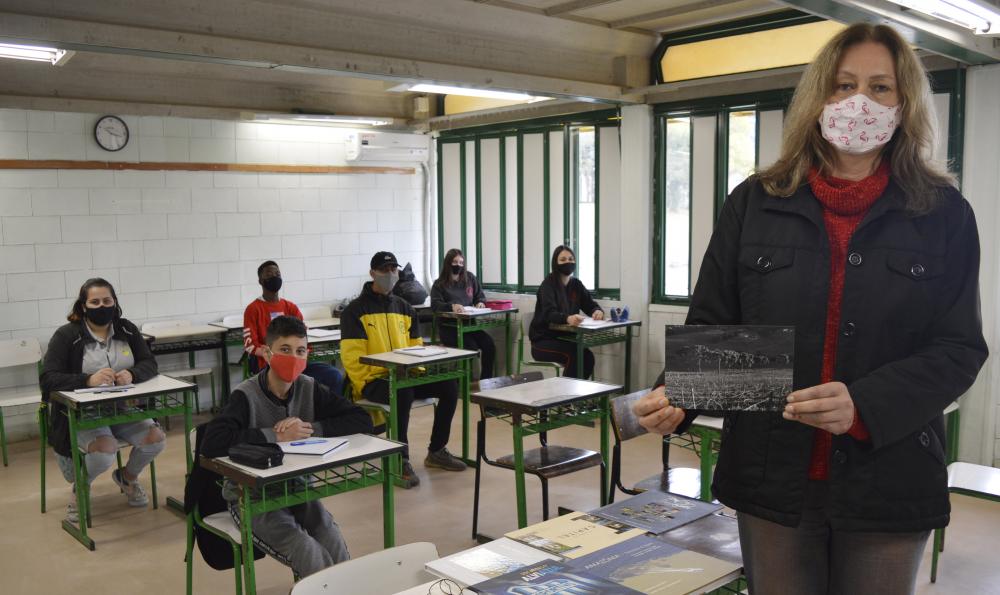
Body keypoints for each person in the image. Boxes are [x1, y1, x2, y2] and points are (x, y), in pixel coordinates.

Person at [632, 23, 987, 595]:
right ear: (818, 96)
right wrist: (679, 392)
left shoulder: (943, 213)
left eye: (880, 88)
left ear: (907, 103)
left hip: (889, 477)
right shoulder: (756, 201)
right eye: (844, 85)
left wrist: (864, 405)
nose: (859, 103)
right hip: (772, 476)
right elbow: (715, 325)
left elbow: (958, 348)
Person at [201, 315, 373, 580]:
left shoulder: (309, 387)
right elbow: (212, 442)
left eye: (300, 351)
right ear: (268, 354)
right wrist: (275, 435)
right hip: (252, 497)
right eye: (285, 350)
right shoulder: (246, 394)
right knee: (308, 552)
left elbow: (361, 419)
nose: (293, 358)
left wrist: (307, 430)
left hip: (297, 488)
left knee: (332, 539)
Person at [39, 278, 165, 522]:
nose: (101, 306)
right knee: (104, 451)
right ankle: (81, 488)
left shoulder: (127, 329)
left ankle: (127, 477)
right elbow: (48, 378)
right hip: (83, 414)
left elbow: (150, 362)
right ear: (83, 306)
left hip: (125, 409)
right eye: (94, 302)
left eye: (107, 300)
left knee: (156, 439)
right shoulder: (67, 335)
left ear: (115, 302)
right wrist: (87, 380)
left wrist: (133, 373)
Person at [340, 251, 466, 488]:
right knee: (402, 392)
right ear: (372, 274)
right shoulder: (354, 311)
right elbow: (353, 359)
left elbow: (416, 349)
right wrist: (369, 380)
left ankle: (437, 450)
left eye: (393, 270)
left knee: (450, 385)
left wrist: (414, 371)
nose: (389, 274)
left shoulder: (405, 308)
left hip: (405, 376)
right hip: (373, 380)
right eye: (384, 270)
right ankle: (400, 459)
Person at [243, 260, 345, 397]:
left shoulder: (290, 307)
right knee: (289, 385)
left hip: (297, 363)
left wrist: (300, 355)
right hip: (270, 367)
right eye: (269, 274)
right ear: (260, 280)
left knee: (334, 375)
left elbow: (303, 336)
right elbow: (249, 345)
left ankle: (332, 414)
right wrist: (272, 355)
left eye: (277, 273)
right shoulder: (253, 309)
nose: (274, 276)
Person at [528, 245, 604, 379]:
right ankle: (567, 398)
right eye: (562, 259)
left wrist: (597, 311)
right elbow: (549, 314)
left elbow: (590, 305)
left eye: (571, 259)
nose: (568, 262)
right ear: (555, 263)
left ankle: (579, 397)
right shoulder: (548, 285)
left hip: (565, 339)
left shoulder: (576, 284)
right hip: (543, 341)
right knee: (574, 355)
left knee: (588, 357)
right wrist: (567, 319)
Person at [430, 248, 496, 380]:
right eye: (455, 262)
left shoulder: (470, 278)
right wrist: (451, 306)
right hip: (450, 329)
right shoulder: (439, 284)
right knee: (469, 347)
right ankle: (462, 383)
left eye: (461, 262)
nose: (458, 265)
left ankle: (485, 381)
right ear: (448, 263)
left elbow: (480, 296)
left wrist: (480, 302)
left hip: (470, 326)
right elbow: (435, 305)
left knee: (489, 344)